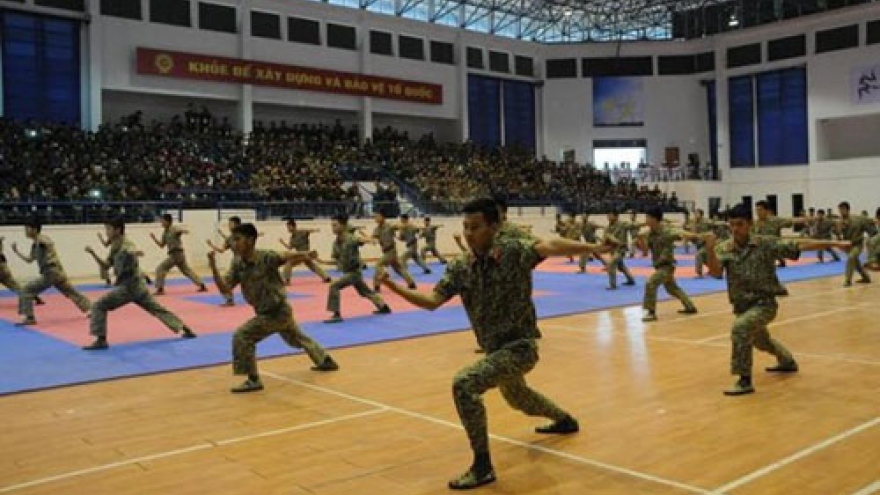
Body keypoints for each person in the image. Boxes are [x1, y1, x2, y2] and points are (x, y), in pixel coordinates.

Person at [378, 198, 609, 490]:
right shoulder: (462, 267)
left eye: (475, 227)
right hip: (495, 350)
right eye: (465, 227)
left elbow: (549, 246)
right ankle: (564, 420)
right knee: (517, 397)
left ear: (494, 227)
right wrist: (392, 287)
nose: (469, 233)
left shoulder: (513, 252)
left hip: (521, 347)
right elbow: (431, 302)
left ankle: (482, 466)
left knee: (465, 384)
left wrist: (595, 248)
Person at [705, 204, 851, 396]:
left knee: (740, 328)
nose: (735, 229)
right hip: (742, 306)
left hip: (764, 304)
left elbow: (800, 245)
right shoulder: (725, 248)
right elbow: (716, 273)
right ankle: (787, 361)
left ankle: (744, 380)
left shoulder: (764, 243)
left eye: (739, 224)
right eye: (731, 225)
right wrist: (710, 250)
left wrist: (834, 244)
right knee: (761, 341)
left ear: (750, 224)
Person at [208, 223, 339, 393]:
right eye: (233, 239)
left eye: (237, 239)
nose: (233, 243)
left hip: (277, 311)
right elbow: (225, 289)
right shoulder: (238, 263)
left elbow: (285, 256)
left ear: (250, 240)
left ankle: (253, 379)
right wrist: (213, 269)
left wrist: (305, 254)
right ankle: (325, 360)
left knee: (242, 336)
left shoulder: (265, 257)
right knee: (296, 338)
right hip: (270, 311)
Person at [83, 218, 197, 350]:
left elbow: (130, 250)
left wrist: (134, 253)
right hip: (138, 287)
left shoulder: (126, 244)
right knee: (157, 309)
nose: (106, 232)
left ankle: (101, 340)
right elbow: (106, 265)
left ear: (118, 230)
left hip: (128, 288)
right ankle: (183, 328)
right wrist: (93, 254)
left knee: (98, 305)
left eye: (108, 229)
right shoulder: (115, 245)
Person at [11, 218, 91, 325]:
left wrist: (43, 243)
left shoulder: (42, 239)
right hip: (56, 273)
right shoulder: (35, 244)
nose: (25, 230)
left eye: (27, 228)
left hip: (51, 273)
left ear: (34, 229)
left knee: (27, 290)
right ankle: (92, 309)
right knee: (71, 292)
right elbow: (29, 260)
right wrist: (16, 251)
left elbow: (48, 242)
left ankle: (29, 318)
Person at [319, 213, 391, 323]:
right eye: (332, 226)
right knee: (366, 292)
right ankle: (383, 307)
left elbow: (359, 240)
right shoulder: (336, 243)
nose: (333, 228)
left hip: (354, 272)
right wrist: (319, 260)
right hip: (349, 273)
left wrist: (370, 240)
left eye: (335, 225)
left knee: (334, 286)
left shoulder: (350, 238)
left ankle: (336, 314)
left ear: (343, 226)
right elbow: (335, 260)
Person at [637, 208, 700, 322]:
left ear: (655, 219)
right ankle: (690, 307)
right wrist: (640, 240)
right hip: (658, 265)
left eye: (648, 217)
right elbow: (645, 252)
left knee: (651, 283)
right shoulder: (649, 234)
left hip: (667, 265)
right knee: (672, 289)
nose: (646, 220)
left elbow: (683, 234)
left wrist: (698, 236)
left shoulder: (667, 231)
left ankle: (650, 312)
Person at [150, 213, 207, 295]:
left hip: (176, 255)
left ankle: (160, 289)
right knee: (187, 271)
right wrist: (154, 238)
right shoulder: (165, 233)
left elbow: (178, 230)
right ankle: (202, 285)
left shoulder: (173, 229)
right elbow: (161, 245)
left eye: (162, 221)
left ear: (167, 221)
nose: (161, 223)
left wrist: (183, 231)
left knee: (160, 268)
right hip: (178, 255)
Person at [367, 209, 416, 292]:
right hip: (387, 252)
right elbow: (373, 238)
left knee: (378, 265)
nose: (375, 218)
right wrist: (368, 238)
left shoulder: (389, 225)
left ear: (383, 217)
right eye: (375, 217)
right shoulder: (377, 229)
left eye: (377, 216)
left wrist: (406, 225)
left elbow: (399, 226)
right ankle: (411, 283)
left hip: (391, 251)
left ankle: (377, 286)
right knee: (398, 269)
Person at [279, 218, 331, 284]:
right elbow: (290, 247)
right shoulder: (292, 237)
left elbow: (308, 231)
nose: (288, 229)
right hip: (304, 255)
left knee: (289, 263)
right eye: (287, 227)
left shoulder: (301, 232)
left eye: (289, 227)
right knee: (312, 266)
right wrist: (282, 242)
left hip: (304, 254)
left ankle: (286, 280)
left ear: (294, 226)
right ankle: (326, 277)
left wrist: (315, 230)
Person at [206, 216, 243, 307]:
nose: (229, 226)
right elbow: (222, 250)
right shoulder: (230, 238)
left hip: (246, 264)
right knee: (225, 282)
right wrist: (212, 245)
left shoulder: (243, 236)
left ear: (237, 225)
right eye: (229, 224)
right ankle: (229, 300)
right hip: (235, 265)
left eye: (231, 224)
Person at [836, 201, 873, 287]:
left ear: (847, 209)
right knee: (856, 262)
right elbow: (838, 235)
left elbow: (868, 227)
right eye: (839, 210)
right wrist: (840, 228)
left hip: (857, 244)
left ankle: (847, 280)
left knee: (851, 257)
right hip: (847, 245)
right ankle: (866, 277)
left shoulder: (857, 219)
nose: (841, 212)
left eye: (842, 209)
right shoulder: (839, 222)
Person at [0, 237, 44, 306]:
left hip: (2, 269)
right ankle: (34, 297)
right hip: (4, 268)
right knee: (16, 286)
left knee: (16, 286)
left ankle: (33, 296)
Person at [601, 210, 637, 290]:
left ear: (616, 216)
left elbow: (634, 226)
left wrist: (645, 224)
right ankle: (631, 280)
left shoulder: (623, 224)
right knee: (621, 267)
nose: (608, 217)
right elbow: (603, 241)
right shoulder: (607, 228)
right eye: (608, 215)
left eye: (610, 215)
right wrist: (609, 238)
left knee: (611, 263)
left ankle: (613, 285)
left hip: (621, 249)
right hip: (613, 250)